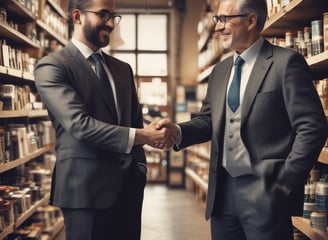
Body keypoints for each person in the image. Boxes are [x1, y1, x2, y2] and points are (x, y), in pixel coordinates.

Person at [158, 0, 328, 239]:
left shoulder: (285, 63)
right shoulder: (220, 71)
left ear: (251, 21)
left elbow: (313, 127)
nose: (218, 27)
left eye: (226, 19)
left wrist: (283, 183)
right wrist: (177, 131)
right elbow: (208, 120)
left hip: (266, 191)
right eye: (217, 20)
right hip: (223, 192)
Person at [34, 0, 172, 239]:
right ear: (77, 16)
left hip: (128, 187)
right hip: (85, 190)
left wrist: (154, 139)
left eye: (114, 17)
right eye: (103, 15)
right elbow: (80, 125)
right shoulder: (52, 66)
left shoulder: (122, 69)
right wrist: (145, 135)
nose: (111, 23)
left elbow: (135, 123)